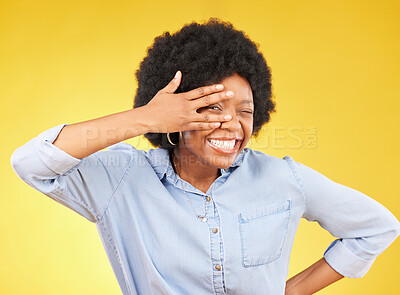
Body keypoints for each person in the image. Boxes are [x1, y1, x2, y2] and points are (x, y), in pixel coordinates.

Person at [10, 18, 400, 295]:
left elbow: (377, 228)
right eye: (212, 107)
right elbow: (31, 163)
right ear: (175, 116)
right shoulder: (122, 180)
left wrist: (292, 291)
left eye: (245, 111)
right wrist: (146, 116)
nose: (232, 123)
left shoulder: (282, 179)